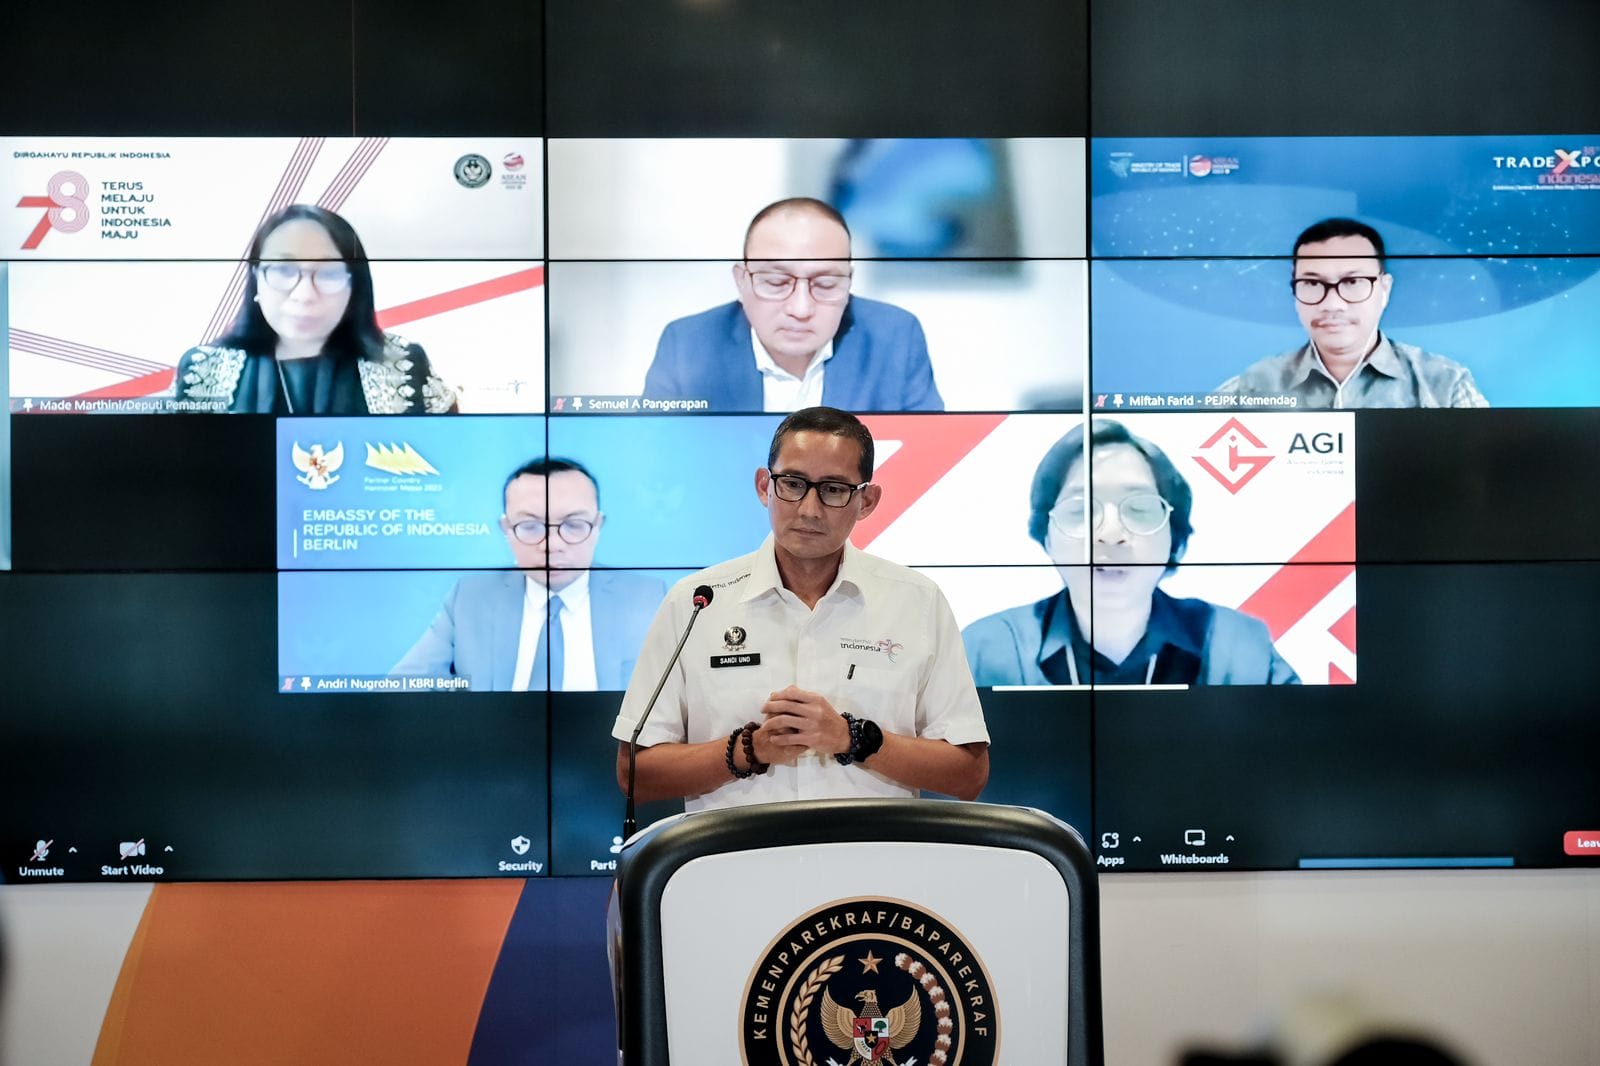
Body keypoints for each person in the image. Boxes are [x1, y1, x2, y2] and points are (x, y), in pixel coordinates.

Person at [612, 406, 988, 811]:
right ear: (764, 486)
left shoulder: (916, 601)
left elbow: (968, 774)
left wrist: (850, 737)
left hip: (871, 851)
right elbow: (634, 773)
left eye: (833, 489)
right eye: (792, 484)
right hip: (738, 852)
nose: (809, 509)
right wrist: (751, 748)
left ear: (867, 501)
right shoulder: (697, 602)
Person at [963, 420, 1299, 686]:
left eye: (1139, 508)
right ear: (1047, 536)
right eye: (1080, 510)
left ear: (1173, 533)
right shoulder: (986, 649)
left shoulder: (1238, 646)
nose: (1110, 535)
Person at [640, 198, 944, 413]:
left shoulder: (895, 337)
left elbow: (932, 459)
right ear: (742, 282)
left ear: (849, 282)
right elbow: (655, 460)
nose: (801, 309)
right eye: (776, 282)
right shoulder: (687, 345)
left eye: (826, 284)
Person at [392, 458, 666, 691]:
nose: (552, 545)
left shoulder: (650, 599)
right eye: (531, 526)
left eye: (574, 524)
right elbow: (400, 688)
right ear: (506, 529)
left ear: (598, 526)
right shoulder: (470, 598)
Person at [173, 204, 458, 414]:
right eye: (283, 270)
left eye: (329, 273)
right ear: (256, 279)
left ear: (355, 286)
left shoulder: (405, 363)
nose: (304, 295)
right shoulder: (202, 369)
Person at [1214, 218, 1487, 408]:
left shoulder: (1445, 384)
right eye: (1312, 284)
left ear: (1384, 289)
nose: (1333, 304)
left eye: (1353, 282)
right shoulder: (1252, 386)